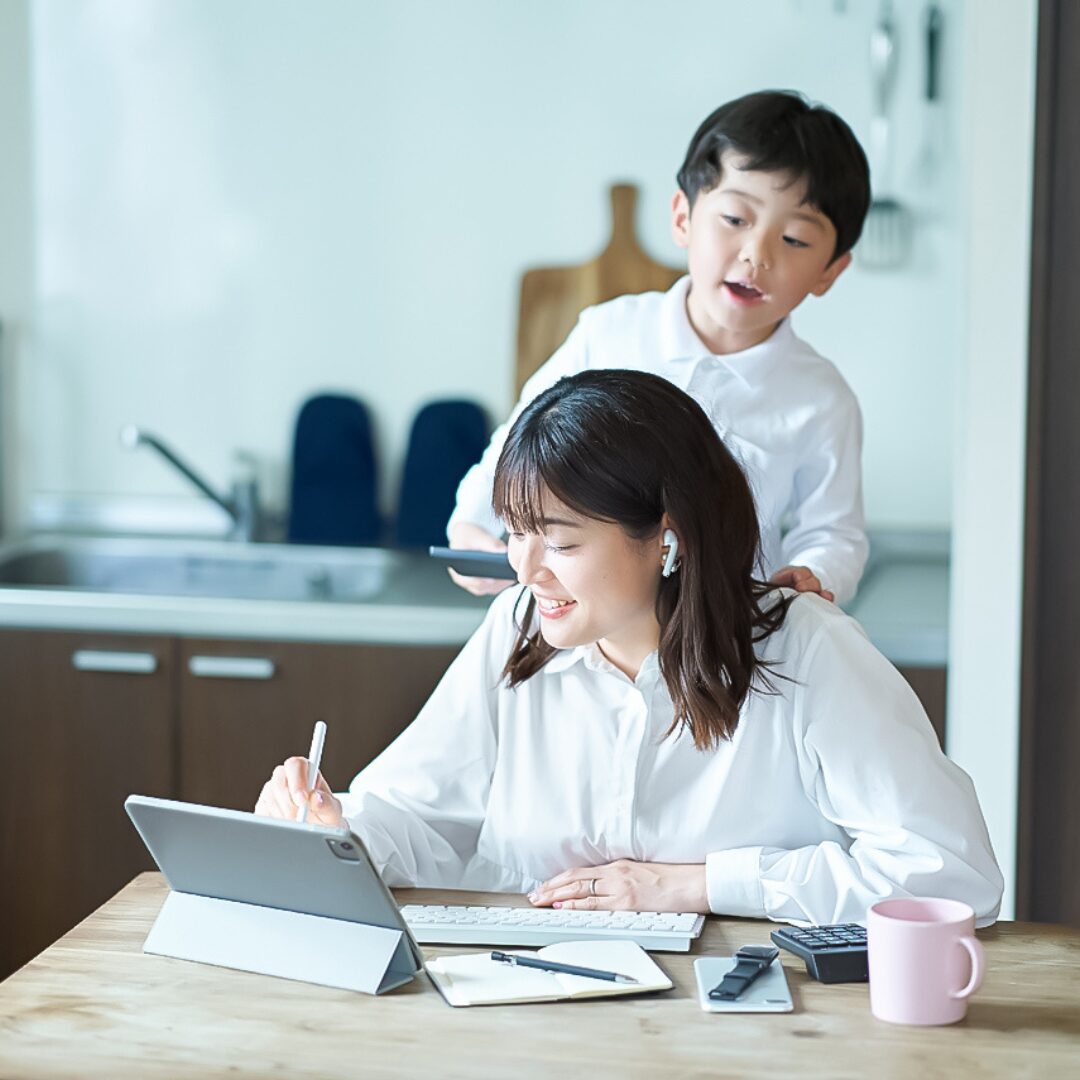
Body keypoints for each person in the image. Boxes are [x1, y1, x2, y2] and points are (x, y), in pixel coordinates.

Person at [256, 370, 1003, 927]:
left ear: (667, 536)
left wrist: (702, 884)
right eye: (517, 531)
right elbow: (416, 817)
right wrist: (334, 826)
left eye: (562, 541)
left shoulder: (808, 651)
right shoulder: (519, 631)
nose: (524, 568)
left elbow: (952, 874)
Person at [449, 89, 872, 607]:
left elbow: (835, 532)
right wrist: (473, 519)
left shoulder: (822, 399)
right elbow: (519, 443)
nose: (756, 255)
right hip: (583, 630)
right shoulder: (609, 333)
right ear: (682, 218)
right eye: (736, 220)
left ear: (830, 271)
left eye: (796, 240)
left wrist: (813, 573)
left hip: (725, 647)